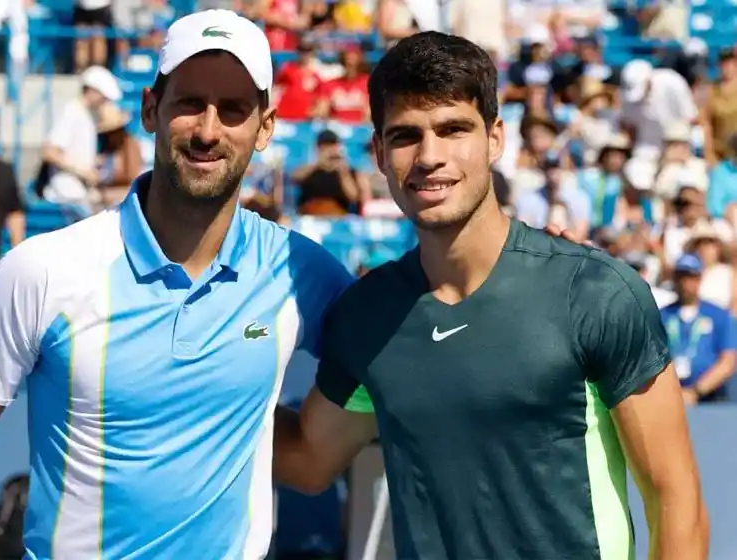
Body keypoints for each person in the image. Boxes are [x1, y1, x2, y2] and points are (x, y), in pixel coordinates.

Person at [0, 10, 355, 559]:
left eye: (232, 110)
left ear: (266, 127)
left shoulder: (299, 269)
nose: (208, 131)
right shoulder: (44, 269)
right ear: (150, 109)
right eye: (189, 103)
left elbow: (394, 354)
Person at [274, 32, 708, 560]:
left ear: (495, 138)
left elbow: (674, 499)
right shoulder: (368, 313)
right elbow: (308, 460)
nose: (430, 156)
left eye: (453, 129)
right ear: (379, 153)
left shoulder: (593, 291)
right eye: (406, 135)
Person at [660, 253, 737, 404]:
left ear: (700, 279)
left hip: (711, 398)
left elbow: (728, 361)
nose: (685, 283)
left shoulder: (718, 315)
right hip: (669, 397)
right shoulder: (662, 316)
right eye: (680, 277)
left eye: (690, 277)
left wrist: (696, 391)